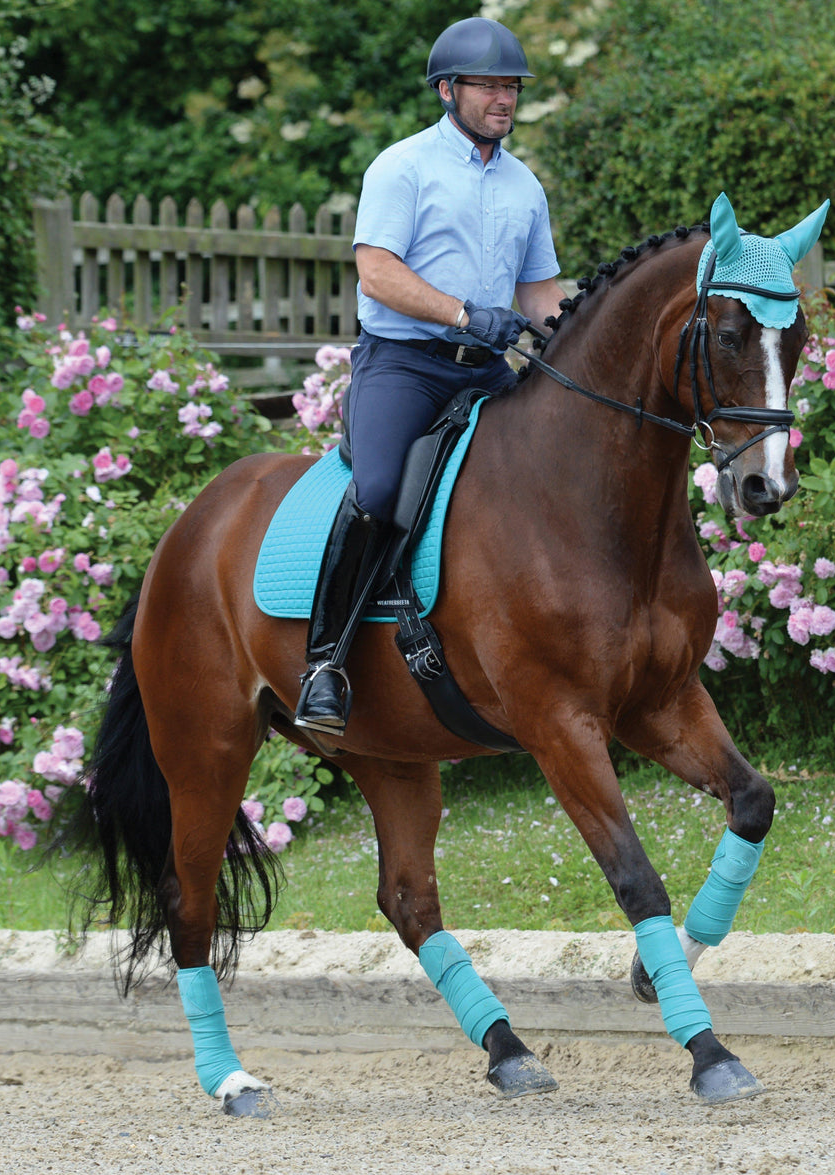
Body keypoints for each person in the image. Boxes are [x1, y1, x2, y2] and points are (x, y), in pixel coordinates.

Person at [294, 16, 568, 734]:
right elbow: (377, 273)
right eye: (489, 86)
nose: (503, 99)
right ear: (448, 90)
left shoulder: (524, 185)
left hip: (484, 371)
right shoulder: (401, 167)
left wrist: (575, 336)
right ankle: (324, 662)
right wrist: (464, 314)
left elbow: (540, 291)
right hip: (405, 367)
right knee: (380, 489)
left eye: (512, 87)